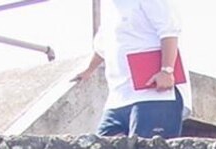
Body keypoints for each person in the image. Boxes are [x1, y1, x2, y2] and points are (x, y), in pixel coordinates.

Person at [72, 0, 191, 138]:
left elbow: (169, 32)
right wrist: (88, 70)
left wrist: (166, 70)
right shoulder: (111, 8)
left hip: (154, 94)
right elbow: (102, 47)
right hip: (118, 98)